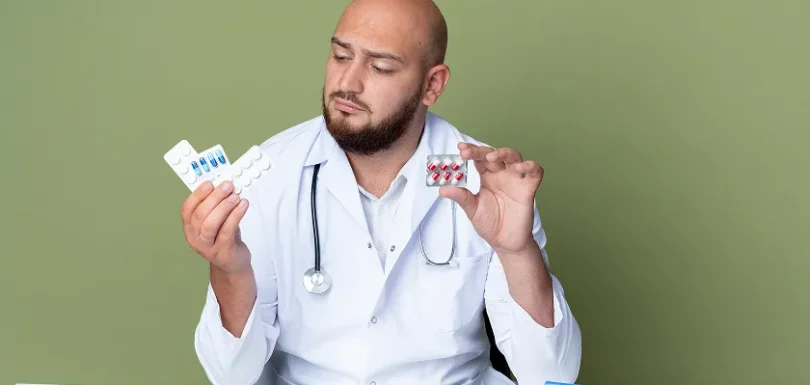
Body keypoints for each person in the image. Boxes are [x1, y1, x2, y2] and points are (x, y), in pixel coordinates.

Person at [181, 0, 582, 384]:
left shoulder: (485, 182)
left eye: (380, 67)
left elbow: (552, 376)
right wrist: (230, 272)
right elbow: (230, 376)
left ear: (432, 85)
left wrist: (518, 252)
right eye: (341, 56)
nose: (347, 83)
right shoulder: (269, 176)